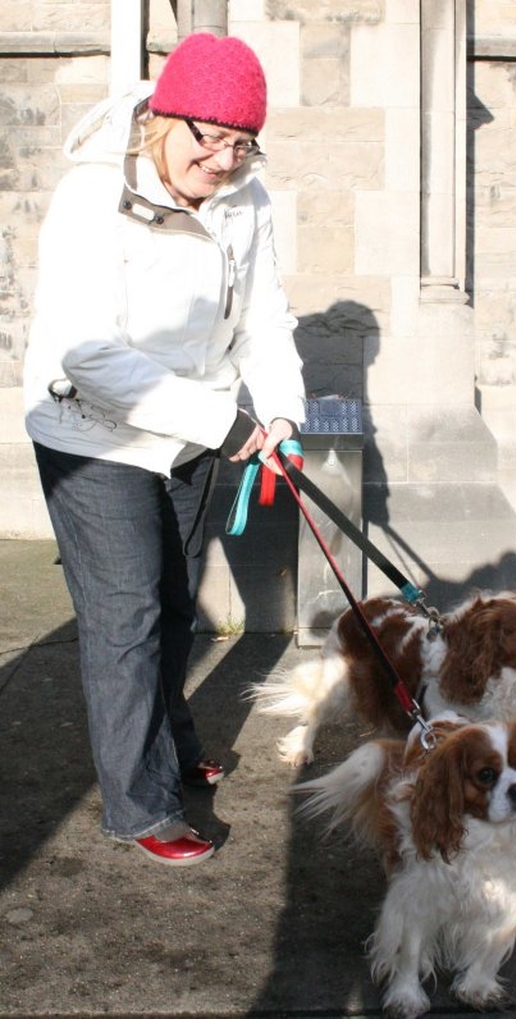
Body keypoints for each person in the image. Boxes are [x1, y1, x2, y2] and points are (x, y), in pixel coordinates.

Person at [23, 33, 305, 866]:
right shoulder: (88, 196)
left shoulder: (245, 201)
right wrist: (221, 423)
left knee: (175, 604)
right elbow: (86, 352)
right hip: (91, 431)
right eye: (206, 136)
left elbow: (265, 321)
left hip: (189, 434)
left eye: (241, 141)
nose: (222, 159)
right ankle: (140, 804)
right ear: (160, 117)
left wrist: (281, 415)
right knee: (127, 617)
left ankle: (170, 748)